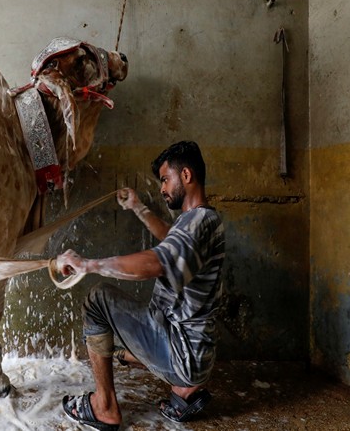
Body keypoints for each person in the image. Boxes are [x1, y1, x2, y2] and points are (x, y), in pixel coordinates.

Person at [56, 140, 226, 430]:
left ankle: (104, 407)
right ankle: (183, 389)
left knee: (97, 300)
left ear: (185, 176)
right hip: (195, 353)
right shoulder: (199, 220)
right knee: (121, 349)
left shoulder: (199, 221)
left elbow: (157, 262)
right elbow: (171, 237)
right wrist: (138, 207)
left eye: (165, 180)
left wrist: (89, 265)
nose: (162, 188)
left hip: (182, 355)